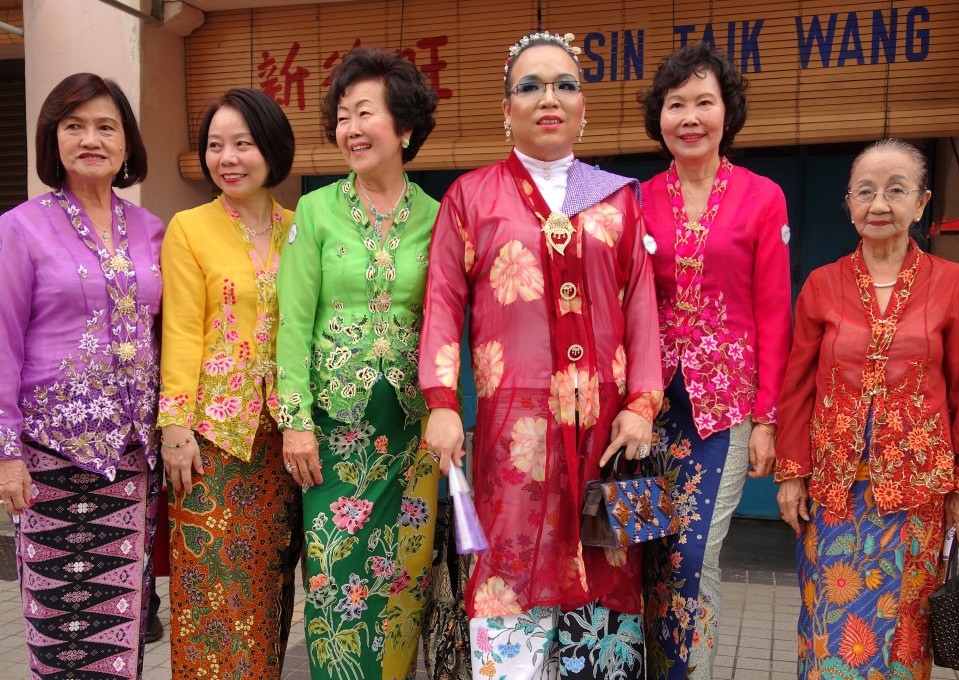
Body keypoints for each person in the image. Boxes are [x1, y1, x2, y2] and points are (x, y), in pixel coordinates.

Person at [420, 31, 662, 680]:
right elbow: (442, 304)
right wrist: (441, 402)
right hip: (513, 445)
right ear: (506, 109)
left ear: (584, 108)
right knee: (511, 593)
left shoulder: (617, 199)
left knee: (606, 592)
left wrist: (641, 404)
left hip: (605, 444)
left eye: (564, 85)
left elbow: (642, 307)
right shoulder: (471, 199)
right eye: (530, 86)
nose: (547, 98)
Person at [775, 138, 959, 680]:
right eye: (865, 191)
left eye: (895, 191)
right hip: (833, 495)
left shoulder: (951, 282)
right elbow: (798, 386)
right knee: (828, 626)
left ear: (921, 204)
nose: (879, 204)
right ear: (848, 204)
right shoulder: (822, 285)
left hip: (915, 496)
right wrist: (791, 474)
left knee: (903, 633)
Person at [275, 47, 440, 680]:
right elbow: (293, 322)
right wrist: (295, 419)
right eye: (342, 115)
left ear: (403, 128)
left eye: (364, 112)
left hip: (413, 440)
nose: (350, 129)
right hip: (332, 443)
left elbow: (447, 323)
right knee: (334, 585)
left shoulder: (438, 217)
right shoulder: (315, 211)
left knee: (400, 590)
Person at [638, 42, 793, 679]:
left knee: (695, 555)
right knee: (648, 551)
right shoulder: (636, 199)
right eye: (677, 104)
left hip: (722, 409)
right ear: (661, 118)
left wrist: (768, 418)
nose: (691, 116)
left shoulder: (762, 197)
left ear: (727, 113)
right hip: (645, 409)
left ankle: (689, 671)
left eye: (705, 101)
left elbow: (775, 312)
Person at [0, 73, 162, 679]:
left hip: (130, 460)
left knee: (121, 633)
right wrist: (6, 452)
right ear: (53, 139)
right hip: (48, 458)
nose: (90, 139)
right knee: (58, 635)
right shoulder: (19, 228)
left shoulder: (151, 231)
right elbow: (2, 342)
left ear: (126, 144)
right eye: (74, 126)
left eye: (105, 126)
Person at [157, 88, 301, 678]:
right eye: (215, 145)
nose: (228, 158)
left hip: (286, 444)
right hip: (212, 442)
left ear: (271, 149)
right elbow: (184, 330)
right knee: (209, 599)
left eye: (242, 143)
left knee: (268, 593)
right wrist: (174, 425)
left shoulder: (303, 228)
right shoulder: (189, 228)